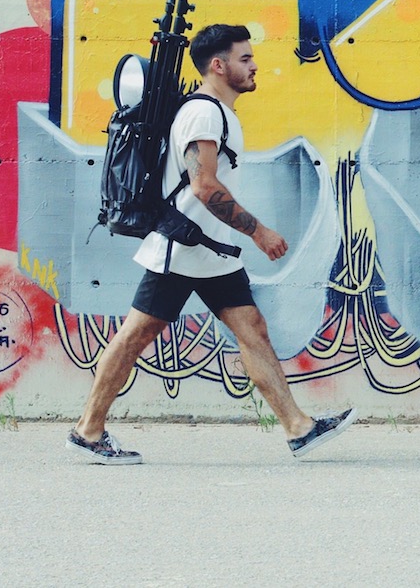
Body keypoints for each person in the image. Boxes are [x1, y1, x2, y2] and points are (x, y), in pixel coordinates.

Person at [67, 23, 356, 464]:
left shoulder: (217, 112)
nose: (254, 65)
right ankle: (88, 430)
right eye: (245, 58)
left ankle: (298, 427)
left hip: (211, 251)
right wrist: (258, 232)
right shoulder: (203, 114)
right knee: (134, 336)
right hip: (184, 250)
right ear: (218, 66)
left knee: (252, 330)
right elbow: (203, 185)